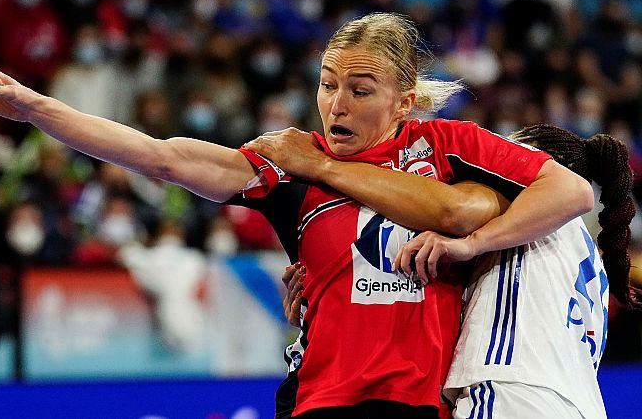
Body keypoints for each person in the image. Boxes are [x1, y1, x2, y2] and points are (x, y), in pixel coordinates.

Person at [0, 12, 593, 418]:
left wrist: (470, 244)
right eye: (327, 83)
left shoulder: (453, 148)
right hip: (322, 400)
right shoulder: (293, 161)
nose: (336, 103)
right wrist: (39, 109)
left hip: (421, 403)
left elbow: (570, 194)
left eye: (360, 90)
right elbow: (163, 158)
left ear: (404, 100)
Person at [274, 124, 640, 418]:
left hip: (507, 392)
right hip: (582, 404)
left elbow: (446, 212)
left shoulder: (520, 209)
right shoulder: (590, 261)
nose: (488, 171)